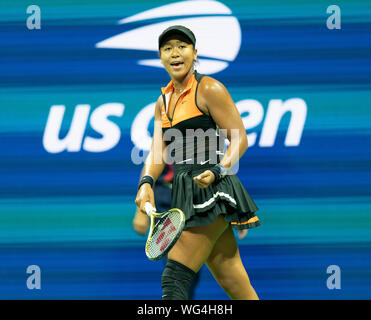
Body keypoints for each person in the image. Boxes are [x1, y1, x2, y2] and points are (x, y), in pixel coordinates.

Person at [135, 25, 260, 300]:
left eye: (182, 46)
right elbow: (158, 151)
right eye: (168, 48)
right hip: (184, 192)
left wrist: (218, 171)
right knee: (234, 282)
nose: (175, 53)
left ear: (195, 52)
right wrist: (146, 183)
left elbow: (240, 139)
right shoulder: (162, 102)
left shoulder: (209, 88)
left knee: (174, 279)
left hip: (211, 192)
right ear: (160, 57)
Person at [133, 163, 201, 300]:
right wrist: (140, 212)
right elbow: (153, 159)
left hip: (200, 200)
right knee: (177, 270)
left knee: (193, 272)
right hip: (168, 200)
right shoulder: (166, 142)